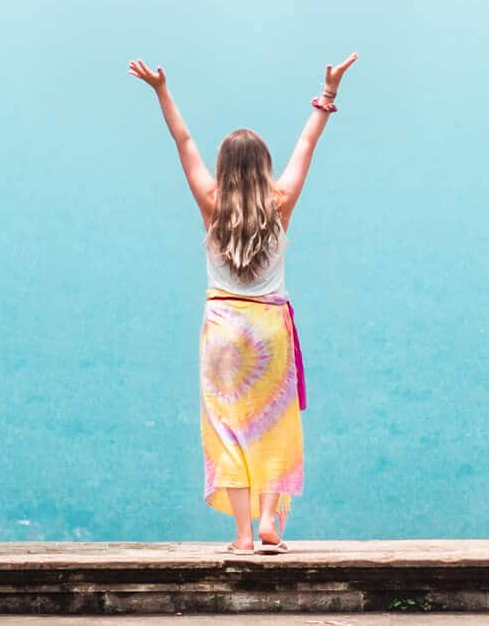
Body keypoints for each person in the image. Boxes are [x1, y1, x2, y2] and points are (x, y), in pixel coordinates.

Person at [128, 53, 358, 553]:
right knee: (274, 420)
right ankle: (271, 521)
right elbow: (307, 143)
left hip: (223, 326)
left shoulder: (210, 203)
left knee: (228, 427)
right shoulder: (281, 203)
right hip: (270, 324)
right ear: (263, 168)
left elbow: (183, 142)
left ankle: (242, 536)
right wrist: (328, 92)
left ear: (225, 169)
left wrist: (161, 91)